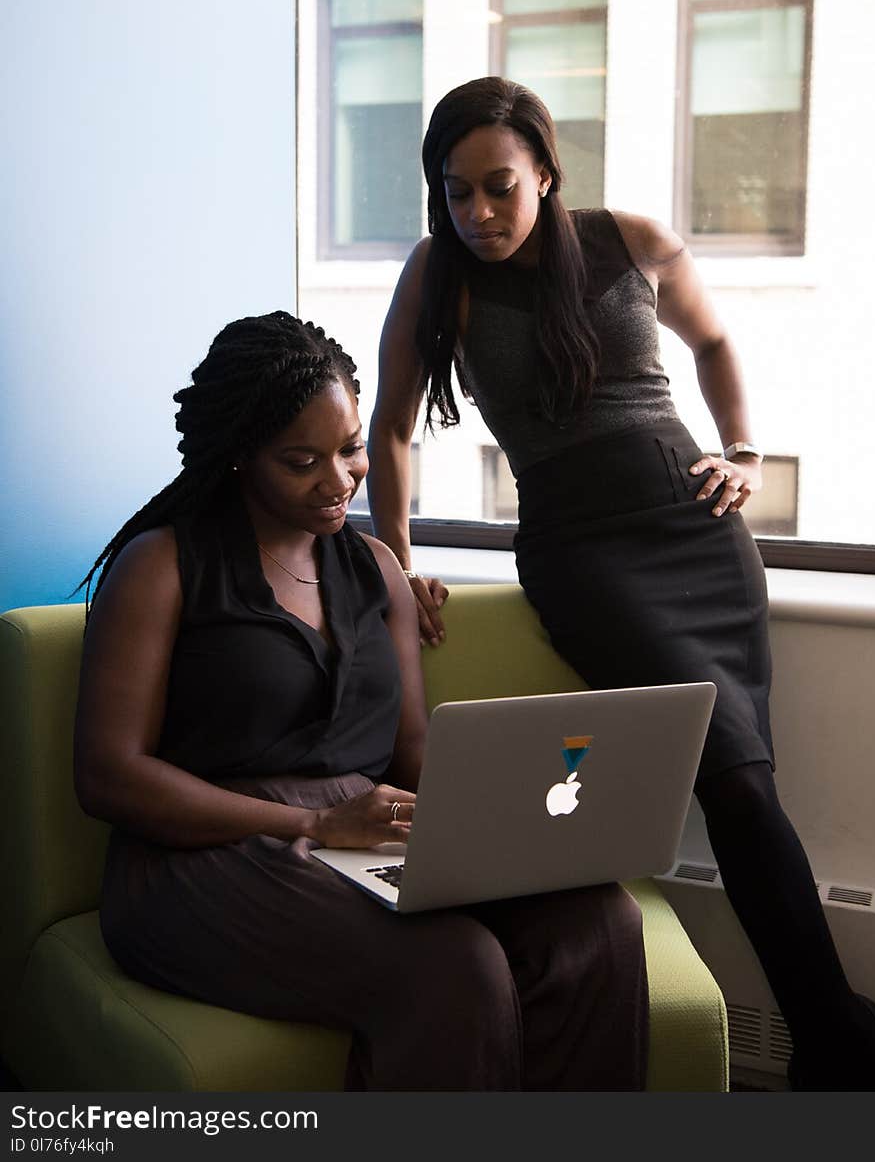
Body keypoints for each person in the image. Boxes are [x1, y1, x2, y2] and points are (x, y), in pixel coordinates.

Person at [366, 76, 875, 1092]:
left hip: (696, 532)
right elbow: (387, 425)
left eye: (498, 188)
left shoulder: (627, 237)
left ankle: (832, 1045)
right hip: (583, 552)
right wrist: (397, 556)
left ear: (545, 173)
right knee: (731, 776)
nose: (476, 213)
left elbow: (717, 342)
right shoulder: (437, 274)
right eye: (455, 192)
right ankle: (842, 1041)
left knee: (745, 779)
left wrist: (742, 449)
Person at [74, 310, 648, 1092]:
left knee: (598, 922)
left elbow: (411, 756)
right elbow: (110, 777)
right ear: (242, 456)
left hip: (362, 836)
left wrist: (522, 821)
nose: (340, 480)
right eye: (302, 461)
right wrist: (312, 821)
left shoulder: (376, 569)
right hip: (199, 860)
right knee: (454, 965)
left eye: (350, 451)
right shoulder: (163, 565)